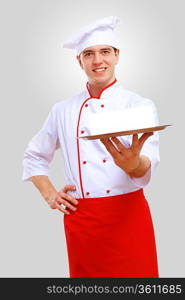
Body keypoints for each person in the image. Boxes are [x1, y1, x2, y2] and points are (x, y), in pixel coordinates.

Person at [22, 16, 160, 278]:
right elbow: (34, 157)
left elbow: (147, 162)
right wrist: (50, 194)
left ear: (117, 56)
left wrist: (134, 165)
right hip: (82, 220)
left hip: (128, 216)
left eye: (105, 52)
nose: (98, 61)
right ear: (79, 61)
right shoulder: (63, 110)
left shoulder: (140, 105)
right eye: (89, 54)